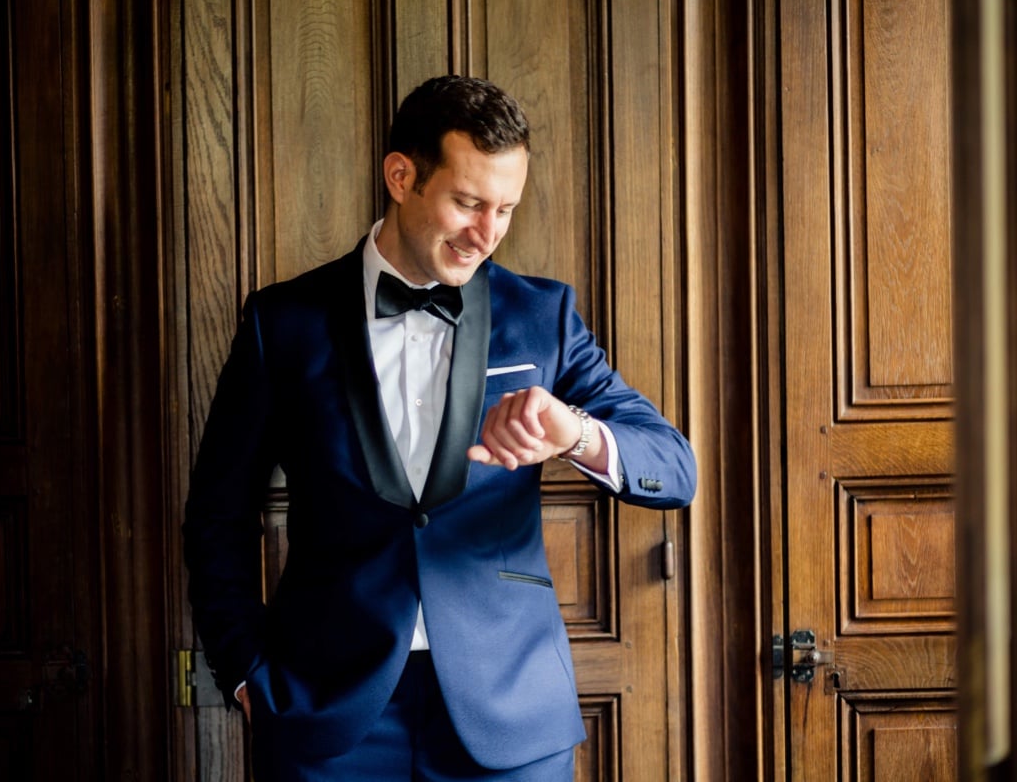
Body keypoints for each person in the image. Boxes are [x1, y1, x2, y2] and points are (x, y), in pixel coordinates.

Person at [183, 75, 696, 781]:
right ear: (401, 176)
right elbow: (218, 508)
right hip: (324, 715)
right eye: (467, 203)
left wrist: (573, 431)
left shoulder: (541, 316)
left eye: (506, 210)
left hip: (509, 713)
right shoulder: (284, 323)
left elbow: (674, 465)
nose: (486, 234)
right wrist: (244, 670)